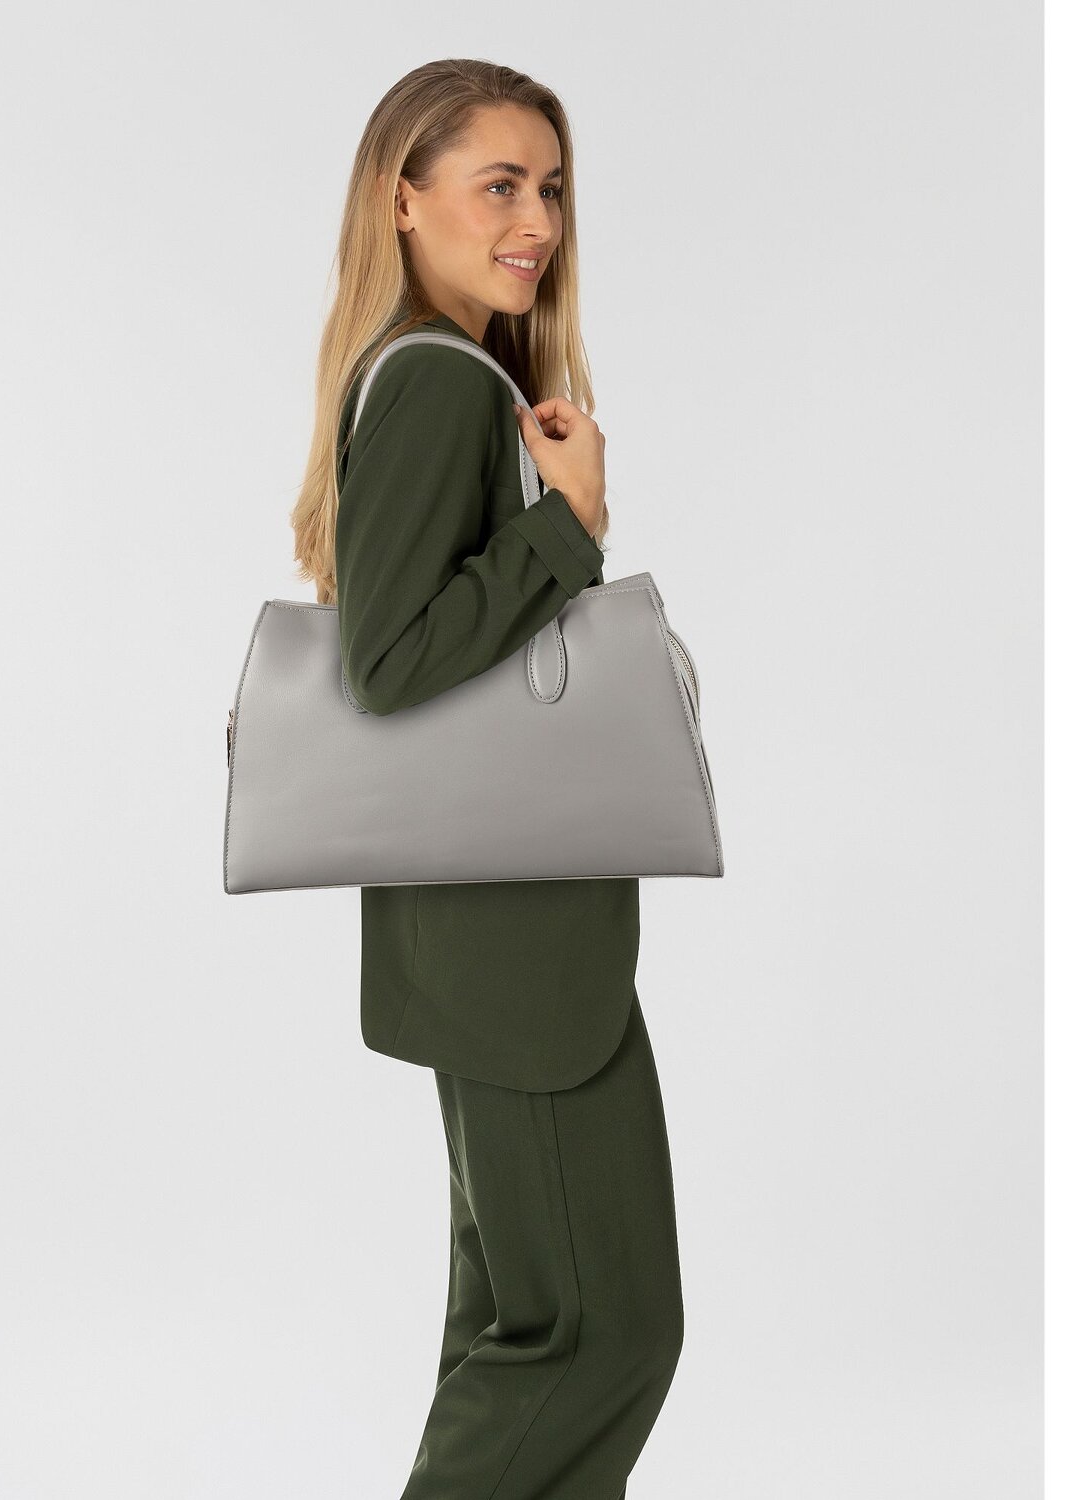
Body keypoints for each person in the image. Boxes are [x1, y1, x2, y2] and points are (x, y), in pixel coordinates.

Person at [289, 59, 684, 1498]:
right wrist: (567, 528)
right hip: (518, 956)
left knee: (528, 1328)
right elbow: (393, 661)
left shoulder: (450, 375)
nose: (539, 224)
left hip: (497, 938)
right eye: (499, 185)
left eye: (553, 189)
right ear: (403, 198)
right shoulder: (438, 383)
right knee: (594, 1334)